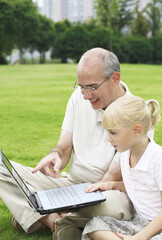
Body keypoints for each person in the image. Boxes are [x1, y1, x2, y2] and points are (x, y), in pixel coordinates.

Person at [0, 48, 135, 239]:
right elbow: (63, 148)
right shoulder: (78, 98)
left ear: (115, 78)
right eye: (81, 86)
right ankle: (55, 220)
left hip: (106, 191)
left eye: (92, 87)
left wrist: (74, 200)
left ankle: (39, 215)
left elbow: (112, 176)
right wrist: (55, 155)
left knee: (116, 205)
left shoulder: (137, 112)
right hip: (70, 185)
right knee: (2, 168)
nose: (86, 95)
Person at [82, 95, 162, 240]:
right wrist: (113, 185)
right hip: (139, 223)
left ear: (137, 130)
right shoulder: (125, 155)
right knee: (95, 225)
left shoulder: (158, 159)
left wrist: (140, 237)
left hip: (158, 226)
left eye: (113, 132)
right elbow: (141, 187)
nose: (108, 138)